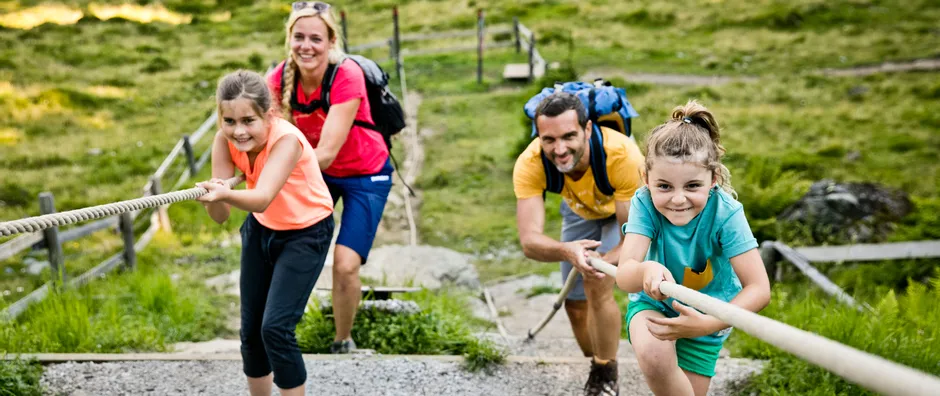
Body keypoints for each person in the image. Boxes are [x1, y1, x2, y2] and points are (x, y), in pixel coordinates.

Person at [614, 100, 771, 396]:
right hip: (654, 304)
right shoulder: (643, 203)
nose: (677, 199)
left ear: (713, 180)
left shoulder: (727, 213)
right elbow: (624, 275)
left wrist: (707, 324)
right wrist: (645, 268)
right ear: (646, 179)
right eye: (664, 186)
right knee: (654, 355)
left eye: (692, 186)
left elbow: (759, 289)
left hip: (709, 314)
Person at [197, 70, 335, 396]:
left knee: (275, 329)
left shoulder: (286, 141)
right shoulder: (224, 140)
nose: (238, 131)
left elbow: (261, 197)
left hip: (305, 233)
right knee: (250, 332)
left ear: (267, 115)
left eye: (248, 120)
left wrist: (225, 192)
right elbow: (220, 217)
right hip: (262, 229)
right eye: (229, 120)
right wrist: (214, 196)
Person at [267, 1, 393, 354]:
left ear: (331, 41)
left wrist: (275, 174)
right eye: (299, 37)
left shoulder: (346, 75)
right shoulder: (277, 79)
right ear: (289, 39)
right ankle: (279, 331)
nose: (307, 46)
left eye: (316, 38)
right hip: (318, 174)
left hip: (365, 174)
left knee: (346, 264)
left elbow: (326, 153)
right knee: (292, 249)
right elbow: (265, 139)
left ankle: (342, 340)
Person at [513, 92, 645, 396]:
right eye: (549, 140)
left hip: (618, 212)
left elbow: (633, 240)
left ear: (587, 129)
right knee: (574, 305)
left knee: (596, 284)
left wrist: (604, 262)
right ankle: (595, 361)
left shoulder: (623, 156)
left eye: (569, 136)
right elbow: (529, 241)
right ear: (538, 136)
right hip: (579, 210)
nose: (559, 149)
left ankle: (606, 371)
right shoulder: (530, 163)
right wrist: (567, 251)